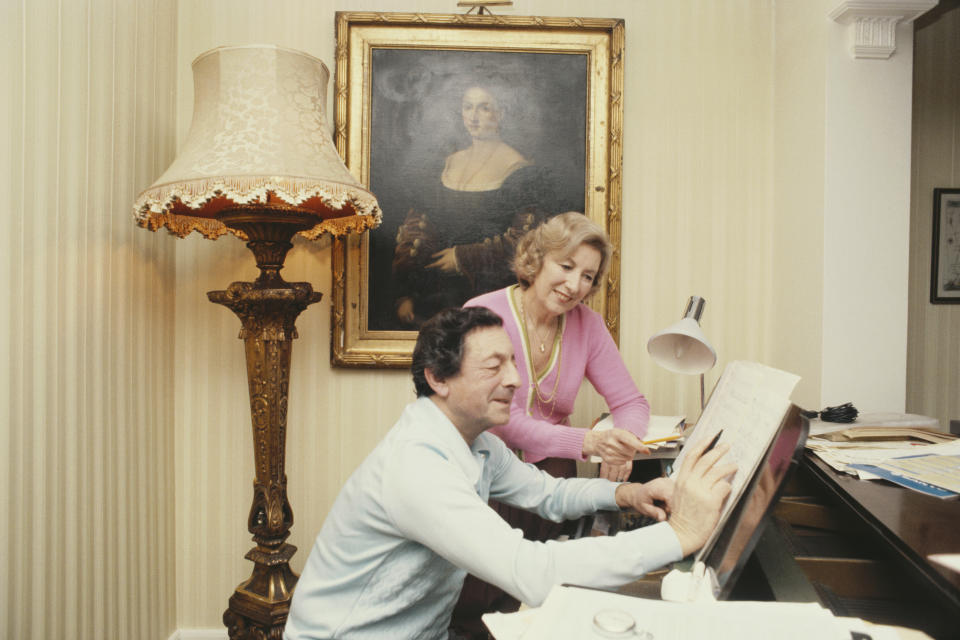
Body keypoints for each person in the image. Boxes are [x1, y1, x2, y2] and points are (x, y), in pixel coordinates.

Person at [284, 307, 735, 640]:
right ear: (439, 380)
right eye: (494, 366)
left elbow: (547, 493)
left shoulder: (475, 440)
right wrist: (679, 535)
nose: (516, 379)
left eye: (513, 362)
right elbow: (531, 573)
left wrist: (628, 494)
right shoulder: (416, 467)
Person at [465, 212, 651, 485]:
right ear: (538, 259)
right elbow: (506, 420)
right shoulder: (482, 314)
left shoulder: (589, 325)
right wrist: (591, 442)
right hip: (485, 472)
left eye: (587, 276)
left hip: (555, 476)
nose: (574, 286)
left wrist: (622, 445)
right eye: (566, 266)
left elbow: (630, 402)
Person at [391, 84, 568, 326]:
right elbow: (418, 228)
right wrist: (407, 292)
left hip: (489, 295)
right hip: (434, 291)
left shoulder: (519, 169)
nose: (474, 116)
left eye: (484, 108)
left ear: (500, 114)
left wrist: (463, 257)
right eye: (468, 107)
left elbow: (526, 242)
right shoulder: (449, 163)